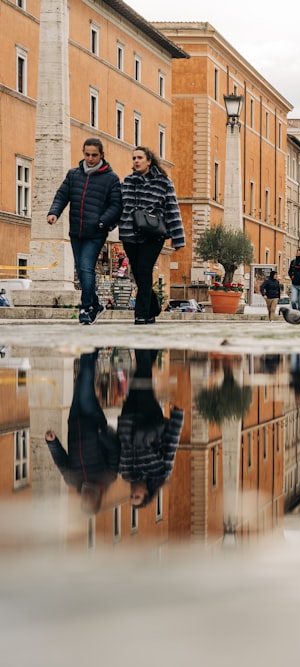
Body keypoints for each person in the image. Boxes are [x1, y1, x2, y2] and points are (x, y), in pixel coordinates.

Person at [47, 137, 123, 325]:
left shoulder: (111, 178)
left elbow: (116, 205)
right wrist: (54, 212)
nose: (90, 159)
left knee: (86, 268)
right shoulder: (74, 175)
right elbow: (62, 195)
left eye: (94, 155)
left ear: (102, 155)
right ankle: (96, 306)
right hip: (76, 232)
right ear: (83, 153)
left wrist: (102, 222)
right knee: (81, 272)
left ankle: (86, 308)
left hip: (96, 233)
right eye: (87, 154)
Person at [45, 351, 119, 515]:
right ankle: (89, 346)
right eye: (89, 502)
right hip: (93, 420)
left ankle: (93, 350)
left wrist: (52, 442)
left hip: (75, 421)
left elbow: (61, 461)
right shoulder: (108, 476)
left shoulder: (72, 480)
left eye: (83, 502)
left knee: (81, 382)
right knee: (85, 380)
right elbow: (114, 450)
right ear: (97, 499)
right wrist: (101, 435)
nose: (85, 499)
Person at [119, 146, 186, 325]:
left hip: (153, 234)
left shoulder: (163, 182)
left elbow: (172, 209)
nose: (136, 161)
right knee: (140, 275)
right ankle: (153, 307)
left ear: (149, 160)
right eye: (134, 158)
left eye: (140, 158)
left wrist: (177, 238)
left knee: (144, 270)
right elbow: (117, 207)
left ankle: (140, 314)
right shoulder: (126, 182)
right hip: (129, 233)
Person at [117, 349, 184, 508]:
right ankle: (143, 340)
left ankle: (150, 348)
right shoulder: (161, 473)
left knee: (140, 375)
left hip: (128, 418)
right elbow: (171, 445)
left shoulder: (125, 474)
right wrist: (177, 417)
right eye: (137, 496)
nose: (133, 492)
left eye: (131, 496)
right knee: (143, 378)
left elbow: (117, 446)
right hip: (149, 418)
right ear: (146, 493)